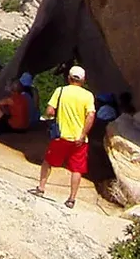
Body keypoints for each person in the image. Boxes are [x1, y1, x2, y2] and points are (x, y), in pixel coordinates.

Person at [31, 64, 96, 208]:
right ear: (83, 80)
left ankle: (41, 188)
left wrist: (54, 114)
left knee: (48, 161)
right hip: (79, 139)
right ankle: (71, 199)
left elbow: (49, 111)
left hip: (61, 135)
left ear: (69, 78)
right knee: (77, 169)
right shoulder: (88, 96)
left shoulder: (60, 91)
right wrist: (83, 134)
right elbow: (91, 115)